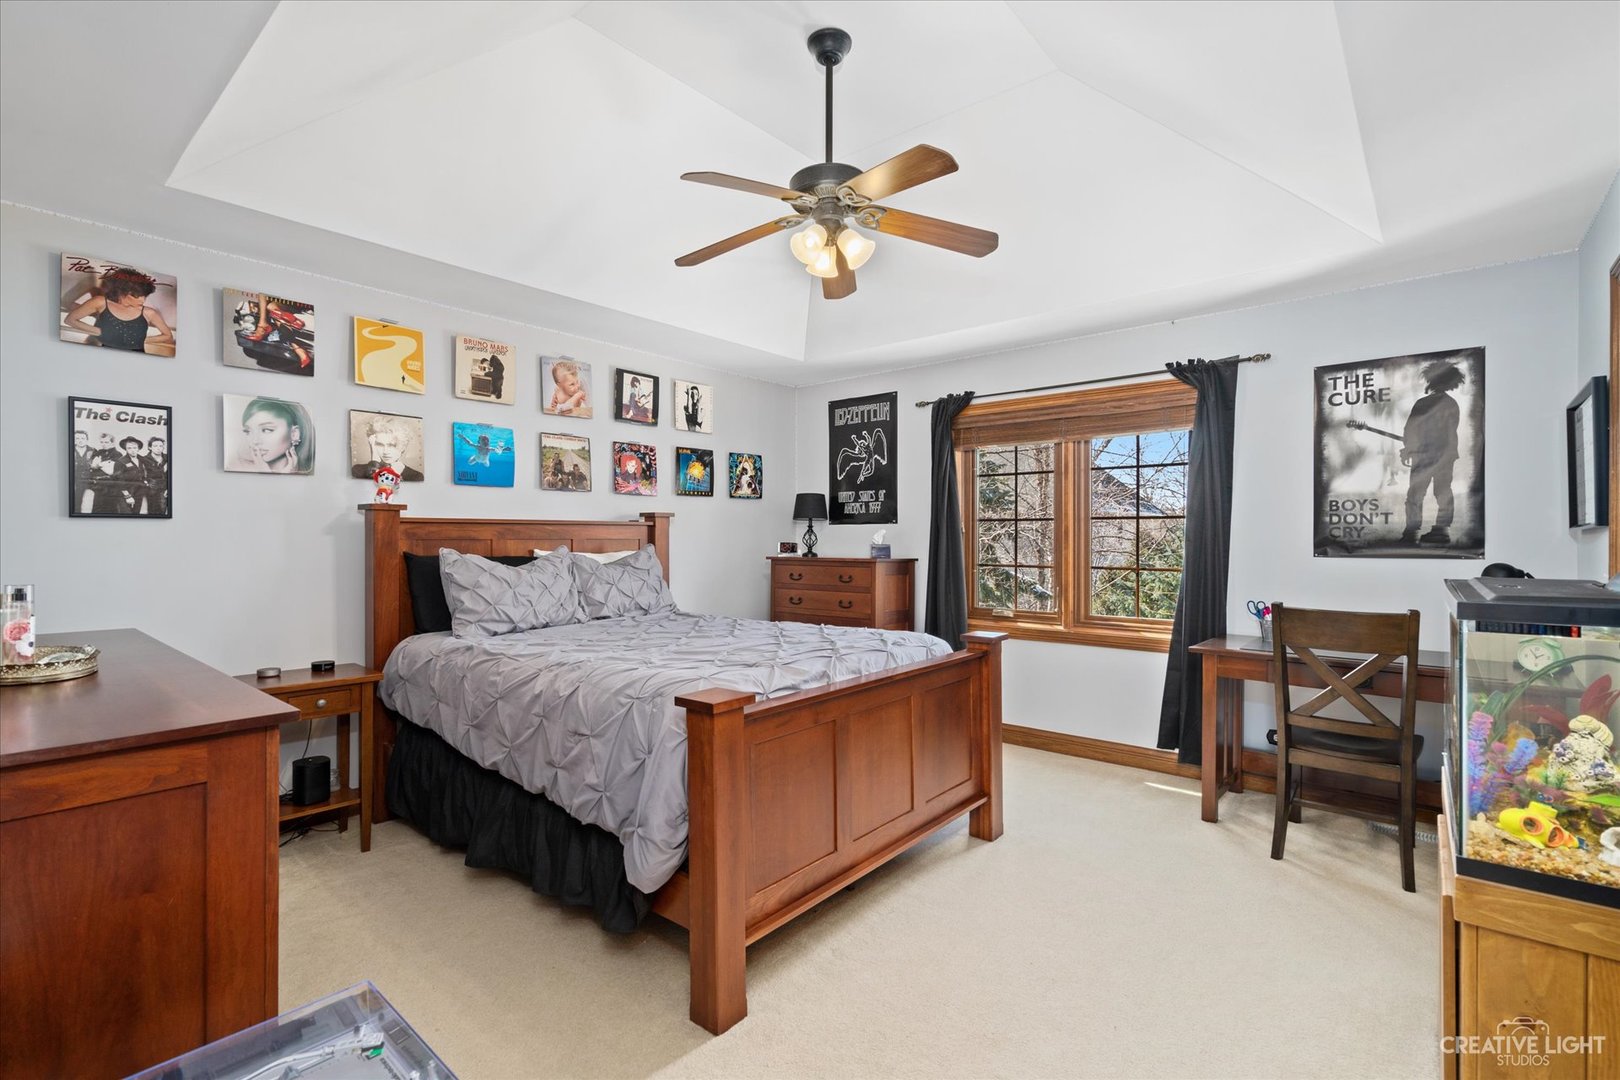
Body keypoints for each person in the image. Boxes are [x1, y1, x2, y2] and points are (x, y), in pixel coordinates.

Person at [1400, 361, 1464, 545]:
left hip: (1428, 455)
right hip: (1442, 455)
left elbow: (1411, 430)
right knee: (1439, 491)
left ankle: (1414, 531)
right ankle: (1438, 530)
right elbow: (1413, 430)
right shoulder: (1451, 404)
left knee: (1417, 493)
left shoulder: (1424, 403)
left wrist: (1408, 449)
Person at [62, 267, 175, 355]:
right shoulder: (100, 302)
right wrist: (100, 332)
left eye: (145, 295)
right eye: (138, 295)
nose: (143, 299)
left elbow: (167, 336)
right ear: (123, 292)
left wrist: (142, 339)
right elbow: (70, 320)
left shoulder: (149, 312)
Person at [235, 398, 315, 475]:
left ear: (294, 434)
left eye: (267, 430)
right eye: (248, 431)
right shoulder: (237, 468)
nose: (254, 441)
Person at [351, 415, 422, 481]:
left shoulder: (416, 476)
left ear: (403, 446)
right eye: (380, 445)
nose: (385, 451)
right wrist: (375, 461)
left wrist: (395, 475)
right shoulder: (358, 470)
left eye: (392, 445)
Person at [110, 436, 148, 513]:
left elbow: (143, 474)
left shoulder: (141, 460)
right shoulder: (120, 461)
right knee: (126, 515)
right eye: (129, 448)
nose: (132, 450)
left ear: (138, 448)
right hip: (125, 494)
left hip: (138, 493)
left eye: (134, 448)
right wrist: (127, 496)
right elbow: (118, 481)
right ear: (126, 449)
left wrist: (145, 481)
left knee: (136, 515)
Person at [71, 430, 97, 513]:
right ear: (74, 439)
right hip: (75, 479)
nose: (80, 440)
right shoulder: (70, 449)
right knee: (76, 501)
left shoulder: (93, 450)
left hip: (90, 479)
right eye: (77, 438)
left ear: (87, 439)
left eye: (83, 438)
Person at [142, 436, 169, 516]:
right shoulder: (144, 459)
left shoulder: (168, 457)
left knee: (164, 511)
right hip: (151, 490)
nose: (158, 448)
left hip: (165, 488)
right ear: (150, 447)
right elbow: (143, 476)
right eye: (155, 446)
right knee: (153, 512)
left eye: (161, 446)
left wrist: (168, 488)